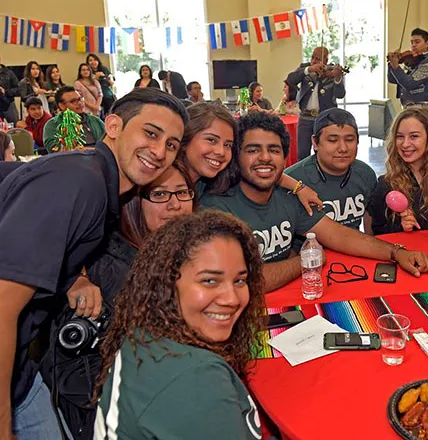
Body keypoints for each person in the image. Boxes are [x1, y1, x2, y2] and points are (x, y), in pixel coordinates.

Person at [0, 87, 187, 440]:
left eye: (172, 144)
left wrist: (74, 276)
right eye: (150, 133)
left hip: (20, 373)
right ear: (113, 126)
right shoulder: (80, 181)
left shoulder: (92, 177)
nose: (160, 151)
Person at [42, 163, 195, 439]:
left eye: (183, 193)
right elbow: (75, 373)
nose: (175, 205)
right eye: (160, 195)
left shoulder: (176, 251)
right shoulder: (105, 270)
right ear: (134, 203)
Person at [200, 112, 428, 292]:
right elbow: (243, 281)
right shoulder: (215, 209)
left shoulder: (290, 197)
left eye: (274, 150)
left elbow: (340, 235)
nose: (265, 157)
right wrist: (306, 261)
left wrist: (397, 253)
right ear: (236, 156)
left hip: (294, 301)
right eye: (253, 150)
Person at [93, 210, 264, 440]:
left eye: (240, 280)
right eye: (210, 281)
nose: (232, 298)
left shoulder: (145, 334)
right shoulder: (196, 379)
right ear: (167, 283)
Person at [181, 101, 322, 210]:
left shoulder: (216, 176)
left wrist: (299, 187)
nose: (220, 152)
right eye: (211, 140)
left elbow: (266, 169)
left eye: (228, 145)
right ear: (185, 138)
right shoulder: (165, 182)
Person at [366, 106, 428, 235]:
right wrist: (400, 227)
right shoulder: (386, 183)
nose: (405, 144)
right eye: (399, 137)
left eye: (414, 136)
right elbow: (377, 230)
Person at [285, 108, 377, 232]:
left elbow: (369, 220)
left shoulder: (366, 174)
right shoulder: (292, 180)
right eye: (332, 140)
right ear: (315, 143)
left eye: (350, 140)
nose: (343, 148)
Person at [286, 46, 346, 160]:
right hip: (305, 118)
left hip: (324, 119)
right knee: (302, 153)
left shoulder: (333, 71)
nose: (313, 61)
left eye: (317, 59)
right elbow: (290, 80)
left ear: (326, 61)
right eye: (312, 57)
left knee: (324, 152)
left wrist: (337, 79)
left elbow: (340, 94)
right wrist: (309, 69)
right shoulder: (305, 68)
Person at [43, 86, 106, 152]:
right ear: (62, 106)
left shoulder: (95, 120)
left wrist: (91, 150)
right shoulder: (53, 125)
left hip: (99, 158)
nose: (79, 103)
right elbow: (54, 151)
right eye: (73, 101)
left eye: (80, 99)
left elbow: (110, 144)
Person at [387, 28, 428, 107]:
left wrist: (396, 66)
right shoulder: (413, 60)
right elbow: (392, 79)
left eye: (417, 42)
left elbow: (409, 83)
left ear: (427, 43)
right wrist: (391, 64)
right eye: (412, 42)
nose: (413, 45)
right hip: (407, 107)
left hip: (419, 108)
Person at [0, 53, 20, 123]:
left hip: (9, 103)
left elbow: (18, 90)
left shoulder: (9, 73)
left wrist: (5, 91)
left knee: (15, 127)